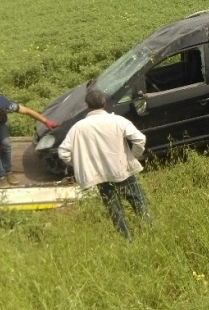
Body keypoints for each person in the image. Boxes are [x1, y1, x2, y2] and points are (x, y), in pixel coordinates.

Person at [58, 90, 149, 239]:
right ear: (104, 104)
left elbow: (63, 152)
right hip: (122, 169)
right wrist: (133, 156)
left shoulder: (78, 128)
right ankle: (148, 232)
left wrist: (80, 164)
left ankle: (126, 239)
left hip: (99, 175)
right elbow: (139, 139)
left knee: (113, 207)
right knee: (137, 200)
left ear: (87, 106)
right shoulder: (118, 121)